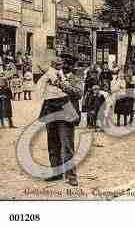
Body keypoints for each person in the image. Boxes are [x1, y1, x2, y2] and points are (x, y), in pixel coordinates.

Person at [38, 58, 78, 186]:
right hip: (50, 109)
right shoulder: (48, 74)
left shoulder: (72, 77)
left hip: (65, 109)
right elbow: (38, 92)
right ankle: (56, 172)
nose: (58, 66)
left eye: (61, 64)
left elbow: (78, 93)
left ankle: (71, 175)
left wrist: (60, 83)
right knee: (52, 143)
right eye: (55, 64)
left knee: (67, 145)